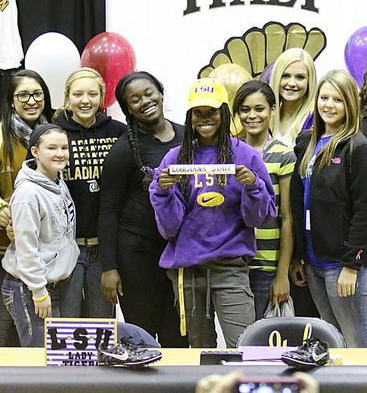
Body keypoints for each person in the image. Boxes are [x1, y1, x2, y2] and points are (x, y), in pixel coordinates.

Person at [149, 78, 275, 348]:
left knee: (243, 346)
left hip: (231, 268)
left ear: (224, 113)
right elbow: (169, 228)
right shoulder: (174, 158)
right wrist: (161, 191)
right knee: (199, 351)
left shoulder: (247, 156)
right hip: (188, 271)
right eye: (198, 112)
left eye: (211, 111)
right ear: (190, 116)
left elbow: (259, 218)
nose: (205, 118)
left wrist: (253, 186)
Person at [289, 70, 367, 347]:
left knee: (358, 345)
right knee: (332, 343)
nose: (329, 105)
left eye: (337, 99)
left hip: (344, 265)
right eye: (324, 97)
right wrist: (297, 257)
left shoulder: (358, 148)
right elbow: (298, 202)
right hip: (314, 263)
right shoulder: (307, 143)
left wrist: (352, 266)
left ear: (350, 104)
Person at [98, 71, 187, 347]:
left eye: (149, 93)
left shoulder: (187, 135)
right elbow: (108, 210)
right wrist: (109, 268)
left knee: (179, 336)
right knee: (142, 335)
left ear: (160, 92)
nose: (144, 101)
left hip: (179, 255)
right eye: (134, 100)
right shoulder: (124, 149)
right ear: (128, 109)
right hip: (136, 255)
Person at [0, 70, 51, 347]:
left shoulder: (53, 133)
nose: (31, 101)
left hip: (41, 248)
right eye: (23, 95)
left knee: (37, 316)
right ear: (10, 100)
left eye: (37, 94)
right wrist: (1, 213)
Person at [53, 67, 127, 318]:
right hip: (65, 247)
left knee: (103, 322)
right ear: (67, 98)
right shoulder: (53, 133)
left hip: (104, 248)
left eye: (92, 94)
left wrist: (112, 261)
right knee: (66, 321)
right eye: (78, 94)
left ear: (102, 98)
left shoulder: (118, 132)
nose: (85, 100)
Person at [1, 124, 79, 347]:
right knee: (38, 360)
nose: (60, 153)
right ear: (35, 151)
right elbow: (27, 248)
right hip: (30, 288)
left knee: (55, 358)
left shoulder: (57, 180)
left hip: (55, 284)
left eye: (64, 147)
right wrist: (38, 292)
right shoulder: (28, 193)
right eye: (52, 148)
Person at [234, 80, 295, 319]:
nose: (252, 116)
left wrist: (282, 275)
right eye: (245, 110)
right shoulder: (228, 153)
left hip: (267, 266)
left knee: (261, 342)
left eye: (259, 109)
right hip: (234, 264)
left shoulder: (283, 155)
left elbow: (287, 218)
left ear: (272, 110)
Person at [268, 48, 318, 146]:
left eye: (300, 77)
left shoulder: (316, 120)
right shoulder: (265, 115)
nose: (291, 83)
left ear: (309, 81)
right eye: (285, 76)